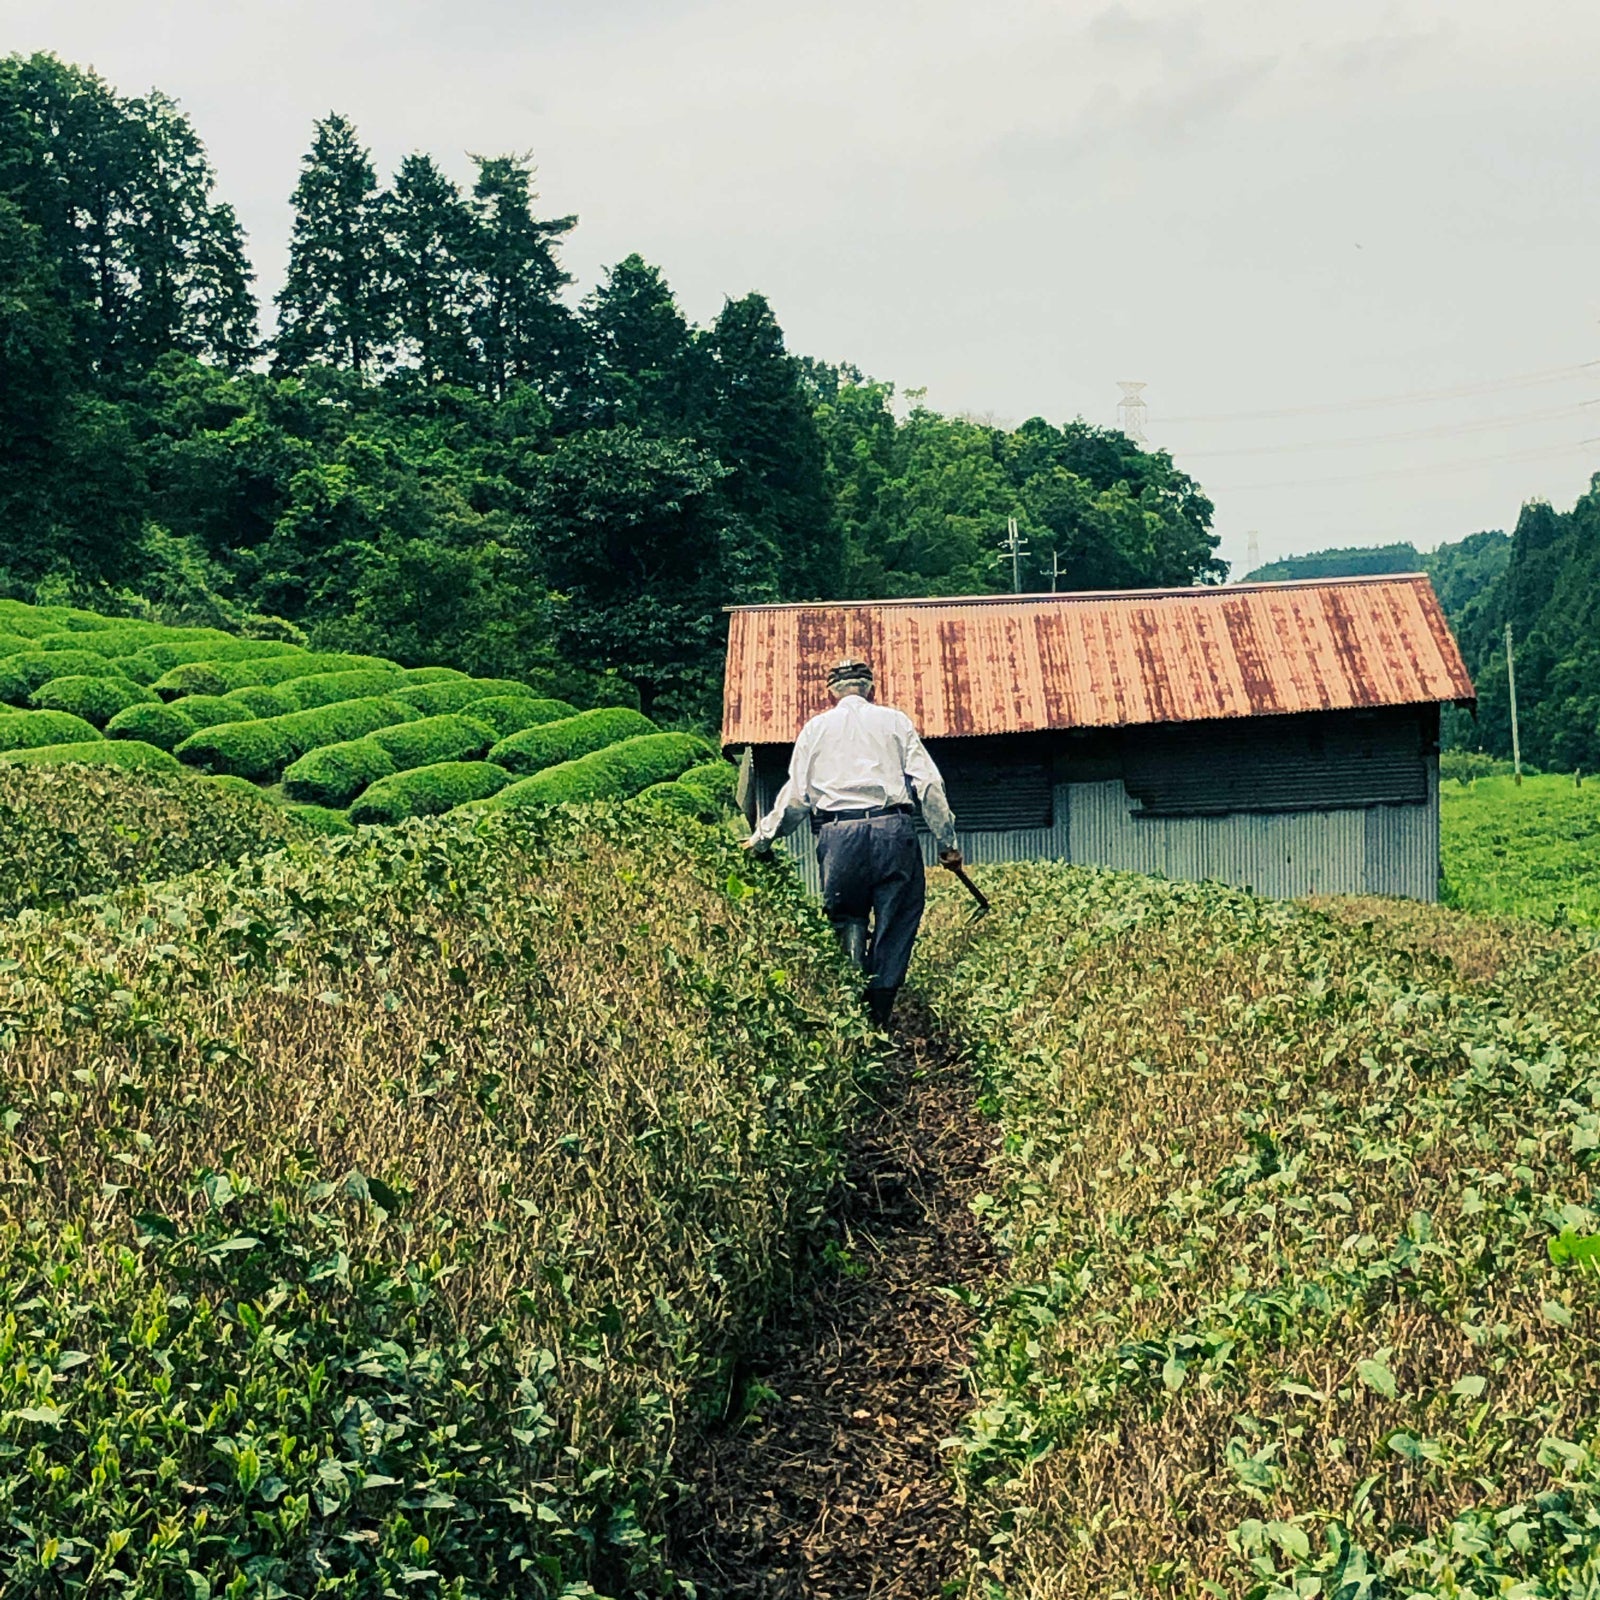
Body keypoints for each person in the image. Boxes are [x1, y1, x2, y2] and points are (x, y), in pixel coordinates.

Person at [744, 656, 961, 1027]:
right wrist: (947, 843)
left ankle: (849, 1007)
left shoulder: (815, 729)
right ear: (871, 689)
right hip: (892, 831)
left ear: (830, 694)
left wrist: (761, 839)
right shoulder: (895, 721)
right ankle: (879, 1013)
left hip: (838, 834)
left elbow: (796, 798)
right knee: (898, 918)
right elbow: (929, 785)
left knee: (846, 916)